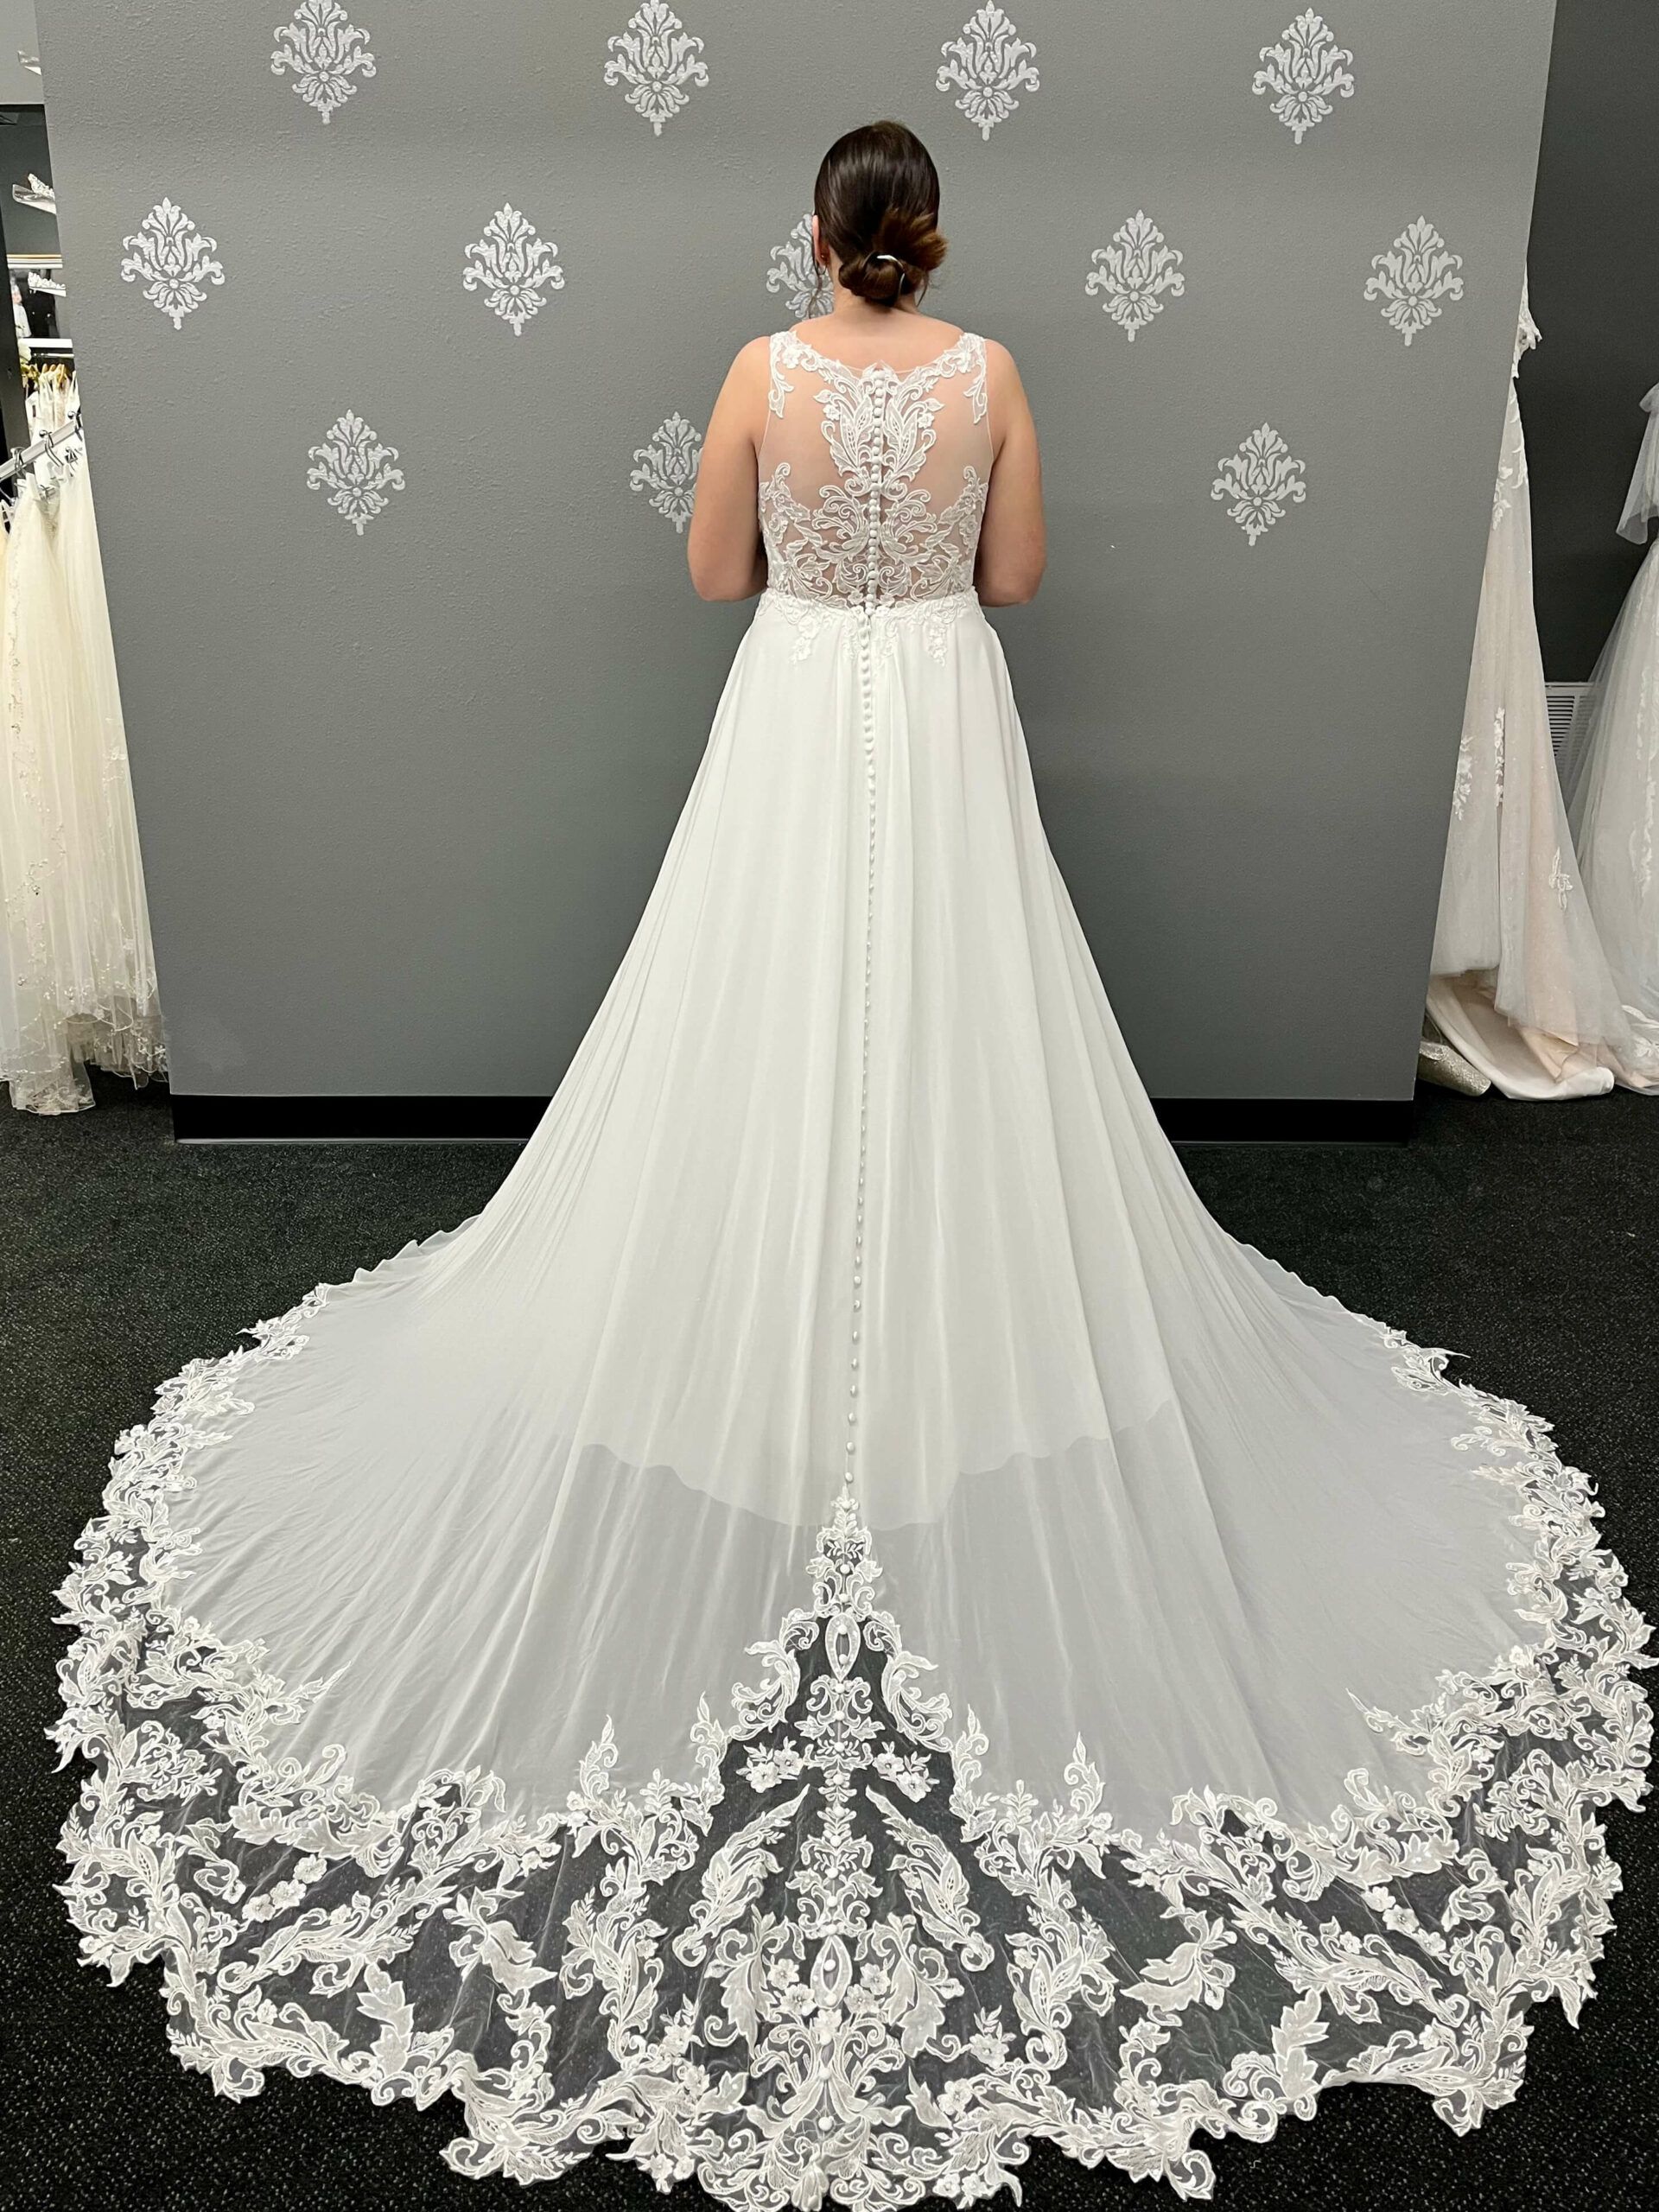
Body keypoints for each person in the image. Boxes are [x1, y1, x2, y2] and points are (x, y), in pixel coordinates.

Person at [55, 121, 1649, 2204]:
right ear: (935, 241)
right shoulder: (988, 376)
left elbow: (717, 574)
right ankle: (959, 1360)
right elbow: (1018, 581)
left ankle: (763, 1350)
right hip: (945, 712)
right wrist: (915, 551)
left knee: (760, 1009)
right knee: (969, 1021)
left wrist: (819, 547)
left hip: (798, 711)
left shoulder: (758, 373)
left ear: (817, 241)